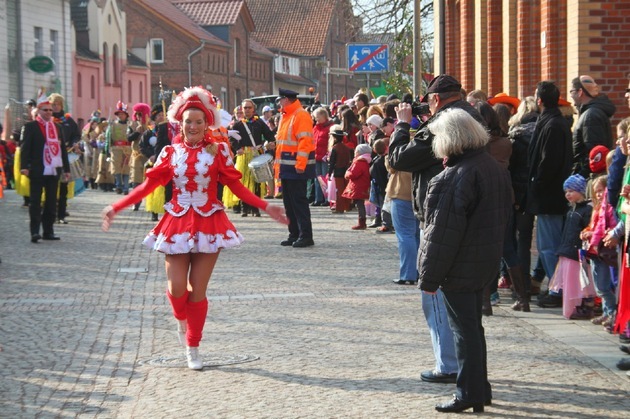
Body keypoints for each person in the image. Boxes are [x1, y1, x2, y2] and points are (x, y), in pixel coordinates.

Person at [101, 86, 288, 370]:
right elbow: (148, 186)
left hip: (209, 222)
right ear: (180, 122)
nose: (193, 126)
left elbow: (236, 186)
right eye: (188, 121)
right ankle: (180, 320)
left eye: (199, 121)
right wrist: (116, 207)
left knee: (197, 290)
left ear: (207, 123)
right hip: (176, 222)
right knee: (177, 288)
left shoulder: (219, 152)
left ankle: (193, 346)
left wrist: (266, 206)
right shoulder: (169, 152)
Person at [389, 75, 482, 385]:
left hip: (444, 215)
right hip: (472, 218)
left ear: (436, 100)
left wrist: (403, 126)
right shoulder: (473, 116)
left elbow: (399, 158)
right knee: (465, 307)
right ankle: (469, 372)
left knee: (436, 289)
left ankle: (449, 364)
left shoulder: (443, 124)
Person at [418, 108, 511, 413]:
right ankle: (479, 389)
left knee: (464, 331)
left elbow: (442, 234)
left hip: (461, 264)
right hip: (484, 261)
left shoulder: (455, 176)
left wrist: (429, 278)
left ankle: (469, 392)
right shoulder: (492, 167)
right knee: (473, 329)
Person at [527, 81, 573, 309]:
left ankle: (558, 289)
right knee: (549, 243)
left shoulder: (552, 124)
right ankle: (554, 286)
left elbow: (548, 162)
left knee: (549, 245)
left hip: (549, 196)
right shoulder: (556, 122)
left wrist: (536, 184)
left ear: (540, 100)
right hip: (552, 193)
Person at [20, 91, 71, 243]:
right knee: (35, 202)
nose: (49, 112)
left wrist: (66, 169)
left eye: (50, 110)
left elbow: (62, 150)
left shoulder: (57, 127)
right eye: (45, 110)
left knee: (50, 202)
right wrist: (24, 166)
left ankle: (48, 231)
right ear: (39, 111)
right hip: (37, 169)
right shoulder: (31, 126)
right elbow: (25, 148)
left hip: (54, 169)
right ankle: (35, 231)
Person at [546, 174, 596, 319]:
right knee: (570, 282)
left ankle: (586, 306)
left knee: (582, 282)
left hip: (577, 253)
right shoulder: (571, 211)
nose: (568, 194)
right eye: (566, 192)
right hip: (567, 250)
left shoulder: (586, 211)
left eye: (571, 191)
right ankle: (574, 306)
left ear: (581, 191)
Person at [275, 88, 316, 248]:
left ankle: (306, 235)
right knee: (289, 204)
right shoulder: (286, 116)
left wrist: (300, 164)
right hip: (287, 167)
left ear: (286, 99)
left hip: (296, 167)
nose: (279, 103)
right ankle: (294, 233)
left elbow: (305, 142)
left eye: (280, 100)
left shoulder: (300, 115)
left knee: (298, 202)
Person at [228, 99, 275, 217]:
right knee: (243, 183)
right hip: (243, 156)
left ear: (253, 109)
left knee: (257, 181)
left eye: (249, 108)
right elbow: (231, 139)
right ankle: (244, 208)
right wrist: (237, 148)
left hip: (256, 155)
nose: (247, 110)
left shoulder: (259, 123)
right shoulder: (238, 124)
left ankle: (255, 208)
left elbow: (270, 135)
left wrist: (270, 143)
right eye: (245, 108)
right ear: (242, 110)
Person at [581, 174, 617, 324]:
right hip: (594, 251)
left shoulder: (609, 209)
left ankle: (612, 313)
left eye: (601, 190)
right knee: (598, 286)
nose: (598, 194)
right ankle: (606, 312)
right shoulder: (597, 209)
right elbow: (593, 226)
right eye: (596, 191)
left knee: (603, 286)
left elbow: (606, 228)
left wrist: (593, 234)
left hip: (602, 251)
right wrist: (586, 231)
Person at [570, 75, 616, 178]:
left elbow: (595, 153)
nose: (571, 96)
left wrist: (581, 177)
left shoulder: (590, 116)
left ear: (580, 92)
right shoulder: (591, 113)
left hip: (590, 177)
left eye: (572, 91)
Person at [49, 93, 81, 224]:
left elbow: (76, 135)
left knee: (63, 186)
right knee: (50, 186)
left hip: (64, 155)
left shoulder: (68, 121)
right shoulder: (48, 120)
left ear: (61, 105)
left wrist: (74, 143)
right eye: (52, 104)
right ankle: (51, 212)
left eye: (57, 104)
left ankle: (61, 215)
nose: (55, 107)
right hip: (50, 157)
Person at [342, 143, 372, 230]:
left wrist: (347, 174)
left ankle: (361, 222)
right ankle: (362, 222)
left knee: (360, 204)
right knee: (360, 204)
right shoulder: (366, 161)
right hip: (362, 185)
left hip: (358, 186)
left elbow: (353, 174)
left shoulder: (359, 162)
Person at [106, 101, 132, 194]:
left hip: (127, 149)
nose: (120, 116)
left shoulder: (130, 125)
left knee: (126, 168)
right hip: (116, 149)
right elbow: (108, 138)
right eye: (119, 114)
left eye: (122, 114)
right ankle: (118, 185)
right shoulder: (113, 125)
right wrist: (107, 150)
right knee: (116, 168)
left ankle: (126, 187)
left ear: (126, 115)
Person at [327, 127, 352, 213]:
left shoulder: (335, 148)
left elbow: (332, 162)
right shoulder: (346, 148)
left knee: (339, 191)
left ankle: (339, 208)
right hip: (346, 171)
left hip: (338, 172)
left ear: (335, 138)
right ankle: (347, 206)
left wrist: (329, 173)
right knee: (346, 190)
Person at [312, 107, 333, 206]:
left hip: (325, 157)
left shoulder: (330, 127)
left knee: (325, 178)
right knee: (318, 179)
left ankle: (327, 199)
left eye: (318, 117)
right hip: (316, 156)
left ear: (324, 116)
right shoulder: (316, 128)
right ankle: (318, 198)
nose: (316, 119)